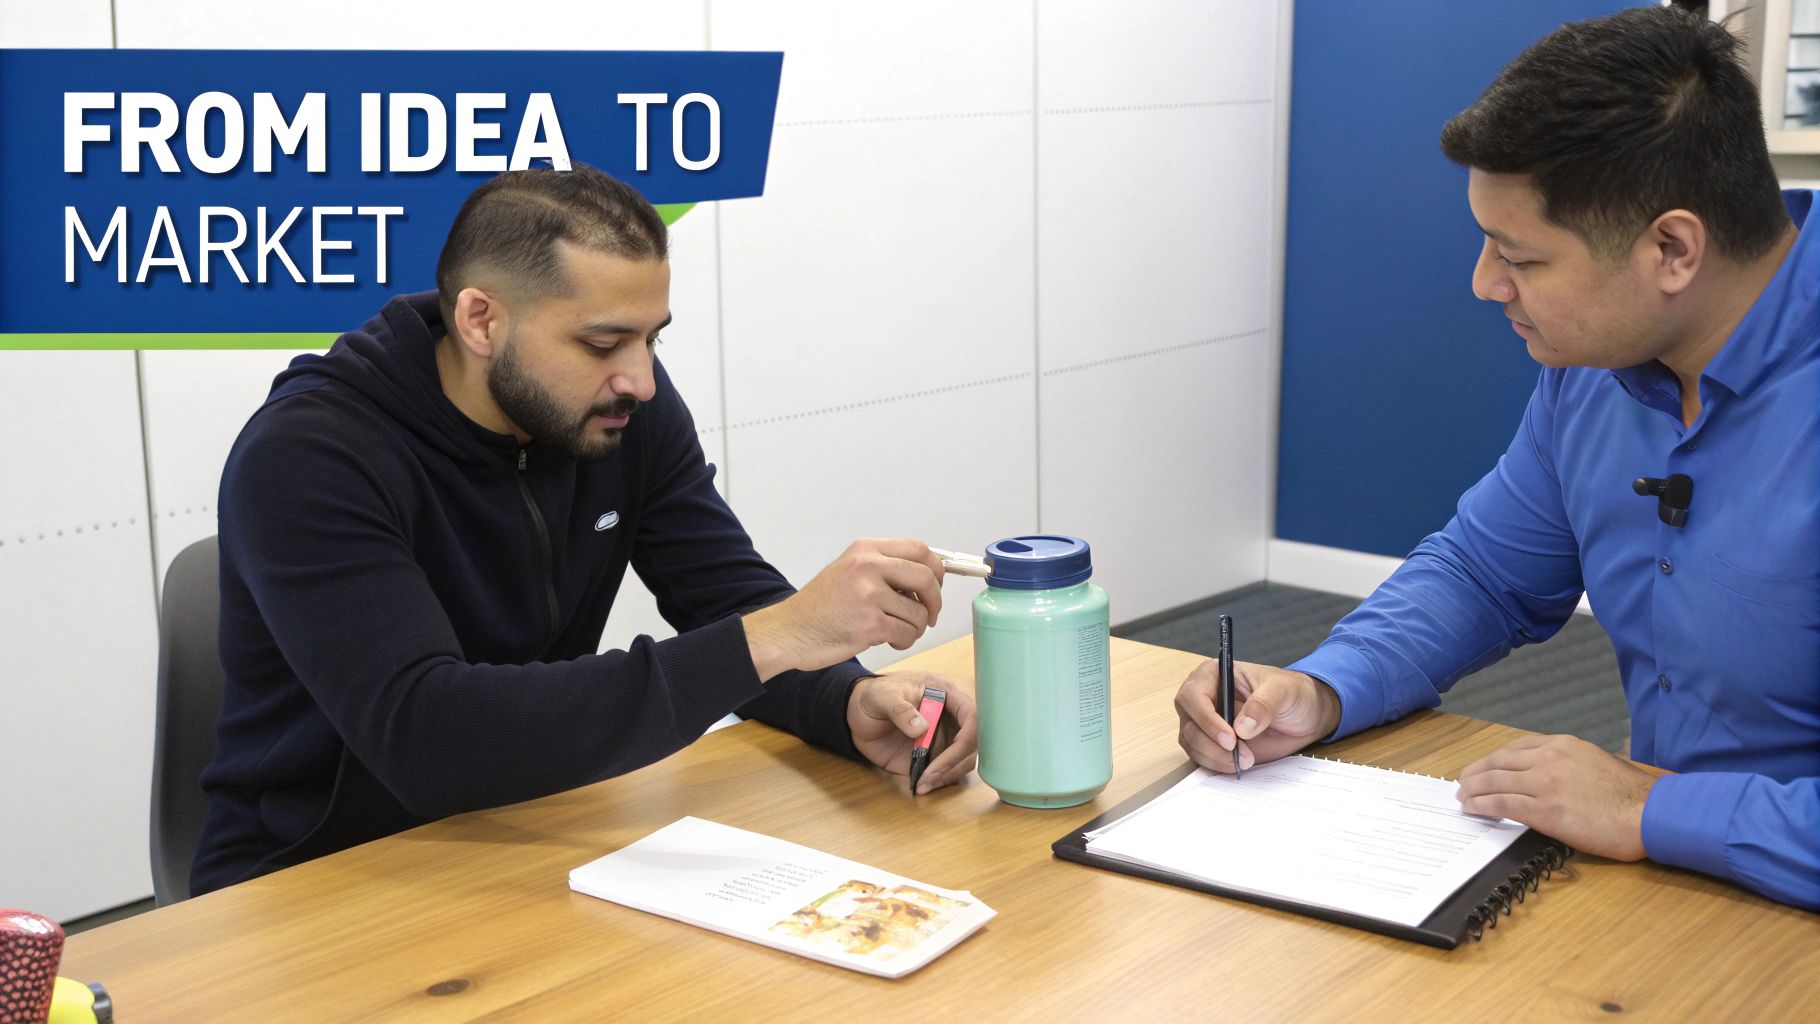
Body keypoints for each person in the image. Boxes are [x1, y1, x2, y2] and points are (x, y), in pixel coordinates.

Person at [1175, 7, 1817, 910]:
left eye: (1521, 256)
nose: (1485, 283)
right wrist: (1322, 689)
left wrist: (1655, 809)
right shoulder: (1594, 373)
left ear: (1672, 249)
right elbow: (1484, 573)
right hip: (1679, 884)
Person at [193, 164, 977, 895]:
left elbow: (722, 593)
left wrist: (847, 699)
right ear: (480, 321)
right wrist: (782, 633)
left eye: (652, 338)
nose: (640, 379)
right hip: (311, 880)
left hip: (526, 830)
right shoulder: (308, 457)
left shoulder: (619, 409)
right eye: (603, 343)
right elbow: (426, 736)